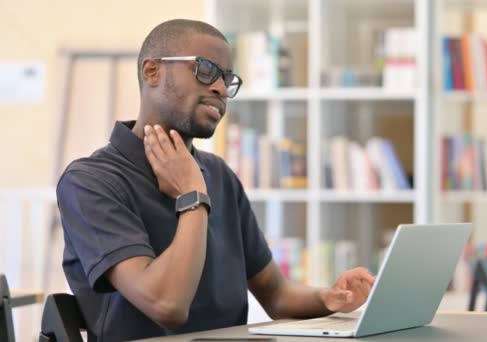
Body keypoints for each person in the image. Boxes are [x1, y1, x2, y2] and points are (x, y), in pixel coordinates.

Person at [56, 18, 375, 341]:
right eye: (205, 70)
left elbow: (275, 294)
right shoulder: (89, 182)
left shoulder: (219, 174)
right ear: (152, 71)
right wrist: (193, 196)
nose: (221, 88)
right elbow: (167, 305)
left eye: (227, 78)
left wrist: (328, 298)